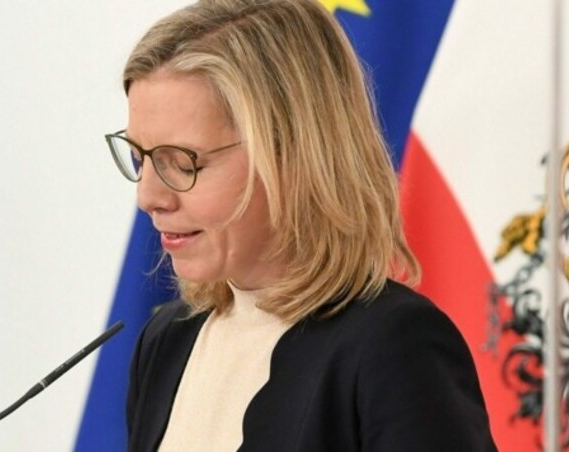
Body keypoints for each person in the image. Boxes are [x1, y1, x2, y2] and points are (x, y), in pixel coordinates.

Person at [106, 0, 497, 450]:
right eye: (141, 158)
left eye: (182, 163)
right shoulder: (166, 341)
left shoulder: (394, 348)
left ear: (294, 152)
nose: (149, 197)